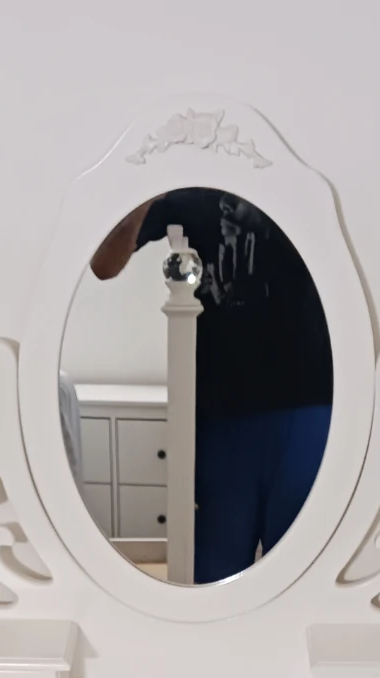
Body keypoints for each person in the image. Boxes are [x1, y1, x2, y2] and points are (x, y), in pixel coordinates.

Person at [91, 189, 332, 583]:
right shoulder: (187, 186)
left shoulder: (305, 165)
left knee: (300, 573)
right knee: (214, 577)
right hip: (222, 410)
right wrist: (145, 189)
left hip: (311, 399)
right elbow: (103, 264)